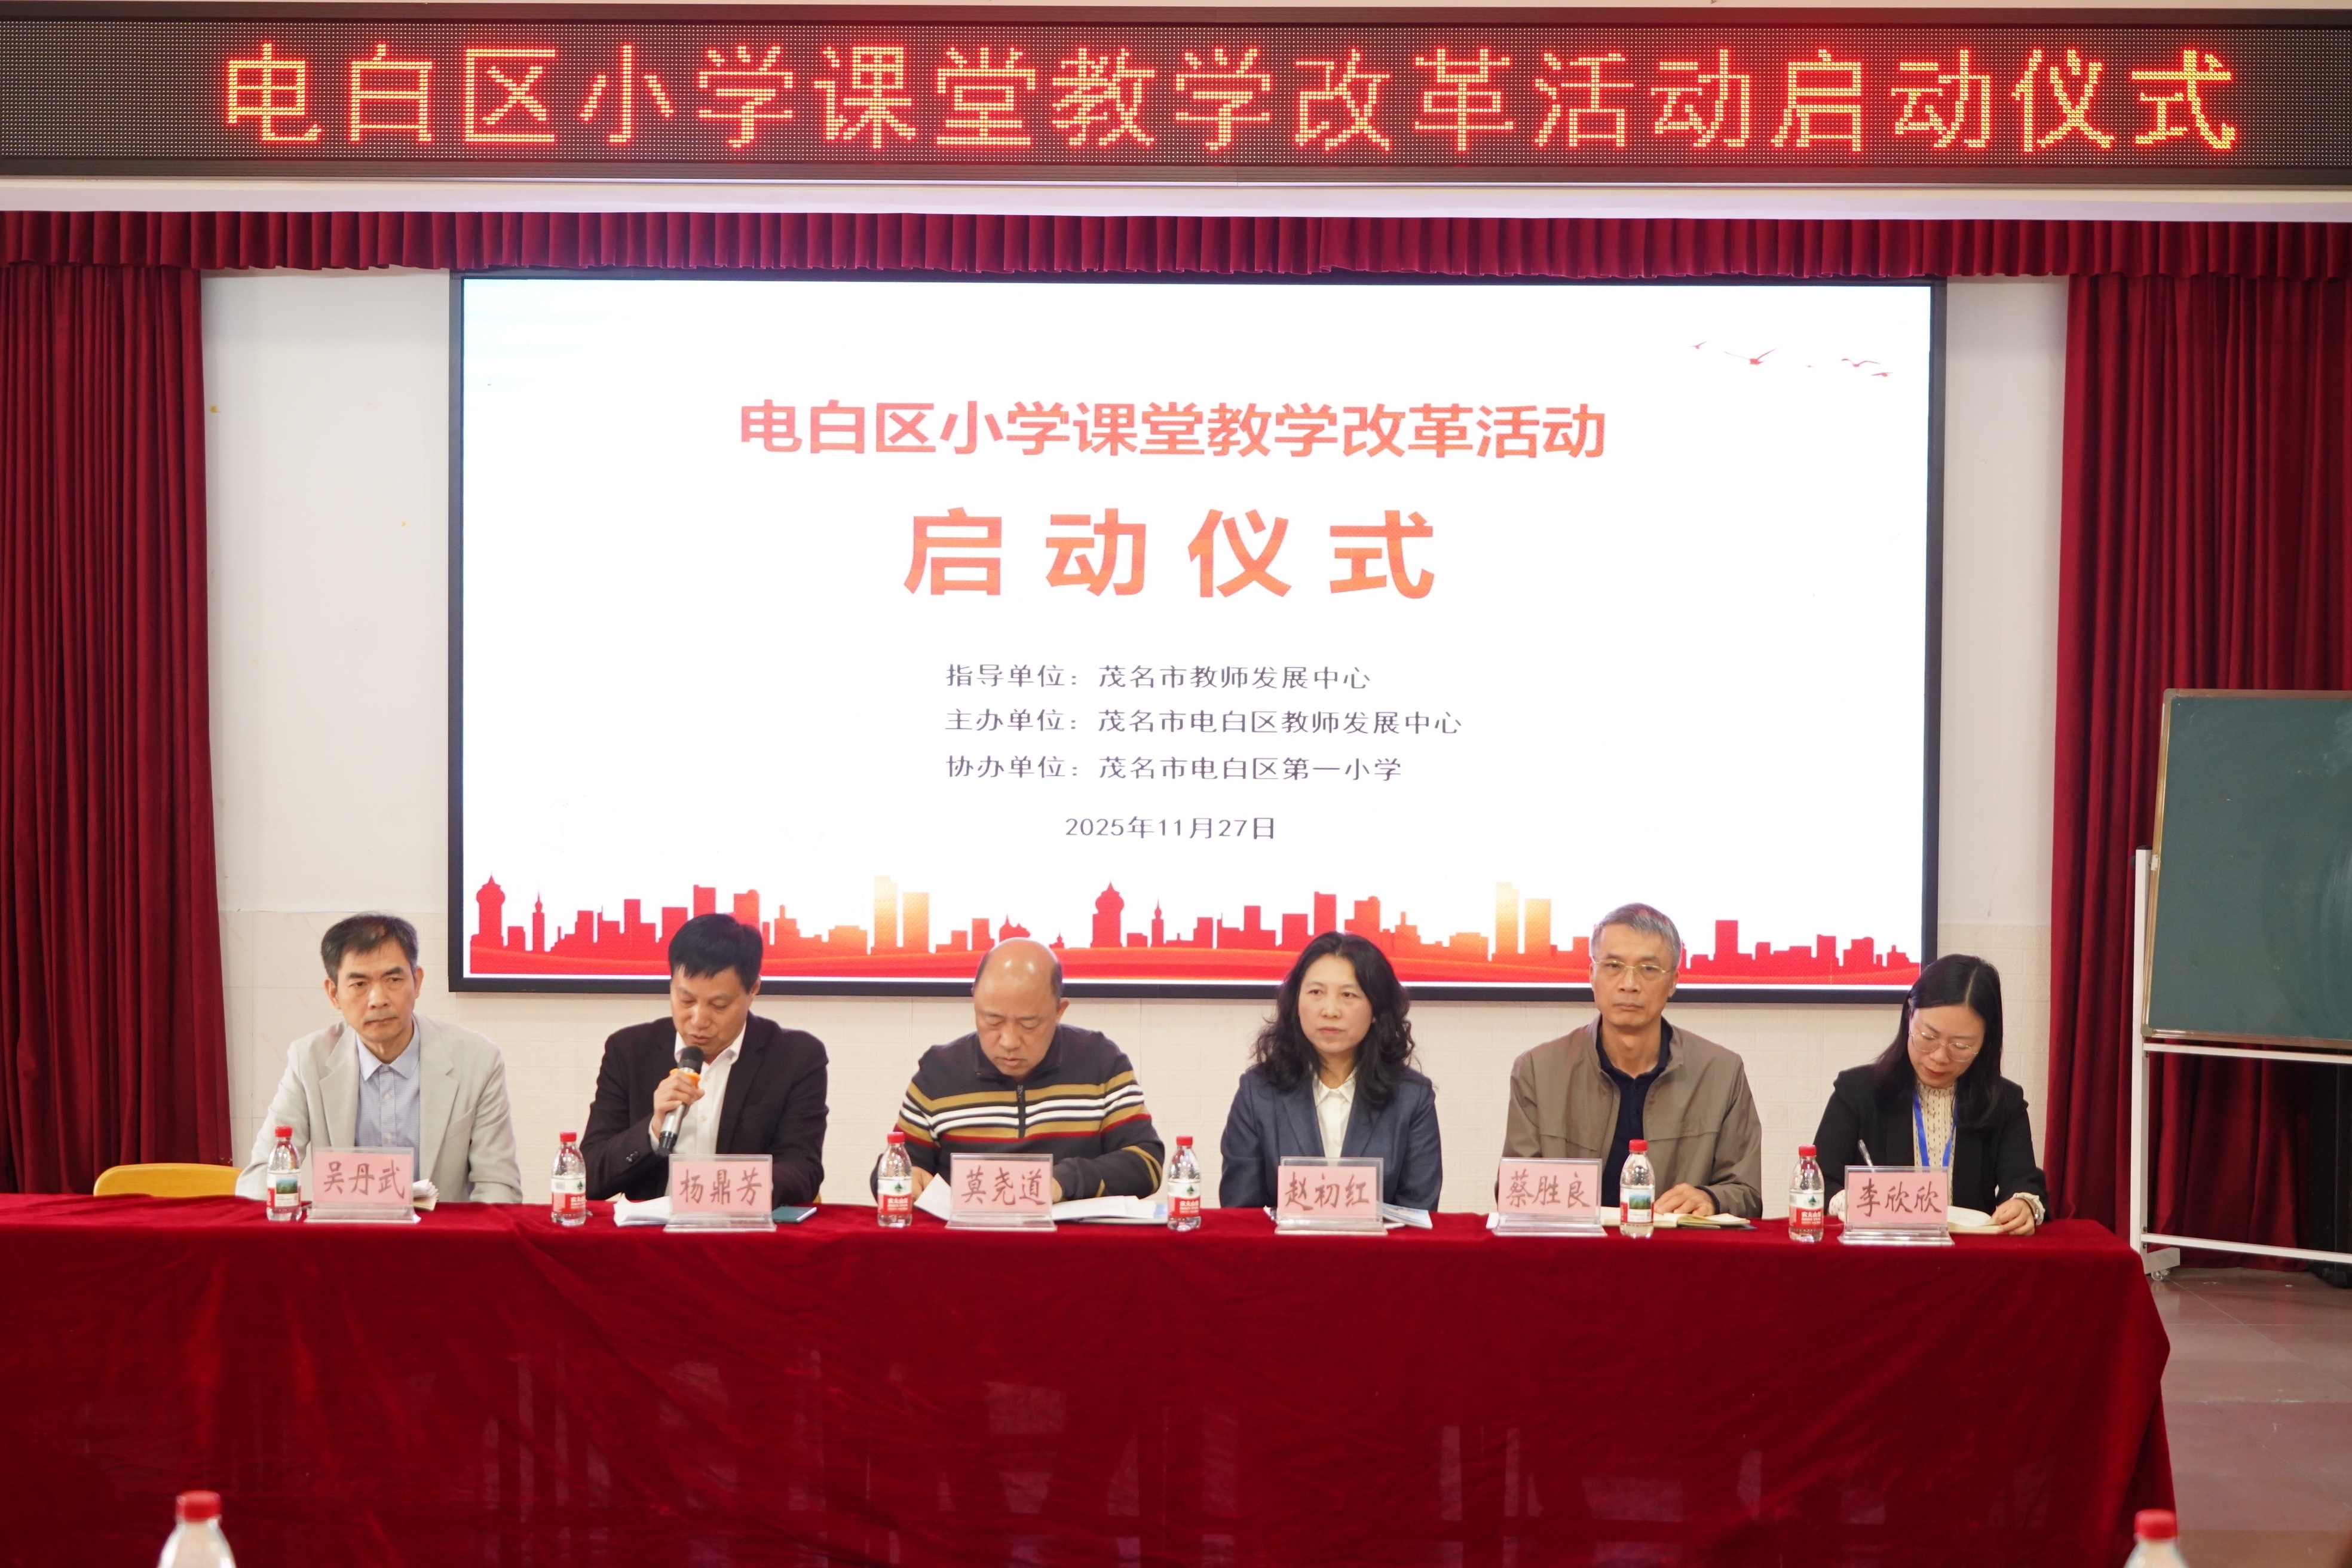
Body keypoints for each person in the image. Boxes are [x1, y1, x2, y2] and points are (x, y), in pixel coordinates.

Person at [237, 912, 522, 1203]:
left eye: (393, 980)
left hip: (442, 1230)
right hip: (346, 1229)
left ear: (417, 982)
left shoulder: (477, 1060)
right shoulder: (309, 1060)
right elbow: (263, 1174)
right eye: (359, 984)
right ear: (334, 994)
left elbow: (498, 1185)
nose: (378, 999)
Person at [1502, 902, 1763, 1217]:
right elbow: (1515, 1191)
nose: (1629, 984)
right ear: (1592, 975)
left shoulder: (1721, 1072)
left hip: (1677, 1246)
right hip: (1575, 1245)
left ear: (1673, 981)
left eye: (1649, 969)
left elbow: (1747, 1194)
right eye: (1613, 965)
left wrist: (1711, 1198)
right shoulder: (1538, 1070)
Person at [881, 938, 1164, 1202]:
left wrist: (1064, 1182)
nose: (1009, 1042)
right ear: (975, 1001)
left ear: (1059, 1011)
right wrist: (903, 1178)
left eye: (1029, 1025)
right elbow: (893, 1167)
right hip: (968, 1235)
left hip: (1070, 1236)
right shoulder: (939, 1073)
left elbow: (1146, 1162)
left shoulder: (1100, 1062)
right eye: (992, 1021)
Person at [580, 913, 828, 1205]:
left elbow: (804, 1168)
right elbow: (589, 1178)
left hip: (744, 1227)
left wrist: (728, 1192)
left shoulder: (796, 1057)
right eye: (686, 1000)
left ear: (753, 990)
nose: (698, 1020)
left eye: (719, 1005)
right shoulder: (629, 1051)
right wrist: (653, 1130)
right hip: (652, 1230)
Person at [1812, 954, 2047, 1234]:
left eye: (1960, 1046)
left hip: (1968, 1255)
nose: (1939, 1057)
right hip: (1882, 1251)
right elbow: (1818, 1183)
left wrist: (2024, 1205)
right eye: (1928, 1037)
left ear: (1986, 1041)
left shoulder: (2004, 1101)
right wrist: (1851, 1202)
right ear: (1909, 1016)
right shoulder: (1857, 1092)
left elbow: (2023, 1183)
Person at [1219, 932, 1442, 1210]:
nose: (1330, 1010)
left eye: (1348, 995)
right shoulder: (1258, 1093)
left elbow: (1418, 1212)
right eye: (1316, 992)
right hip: (1279, 1242)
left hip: (1382, 1241)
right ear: (1296, 1002)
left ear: (1376, 1009)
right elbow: (1241, 1211)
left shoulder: (1412, 1098)